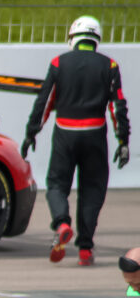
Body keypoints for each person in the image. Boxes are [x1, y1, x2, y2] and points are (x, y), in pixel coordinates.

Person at [22, 15, 130, 267]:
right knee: (93, 189)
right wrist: (123, 140)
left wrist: (31, 133)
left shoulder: (59, 62)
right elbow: (118, 106)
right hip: (95, 134)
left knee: (57, 183)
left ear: (72, 37)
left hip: (65, 134)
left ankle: (61, 223)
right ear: (96, 39)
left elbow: (44, 102)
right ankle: (85, 250)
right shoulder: (110, 65)